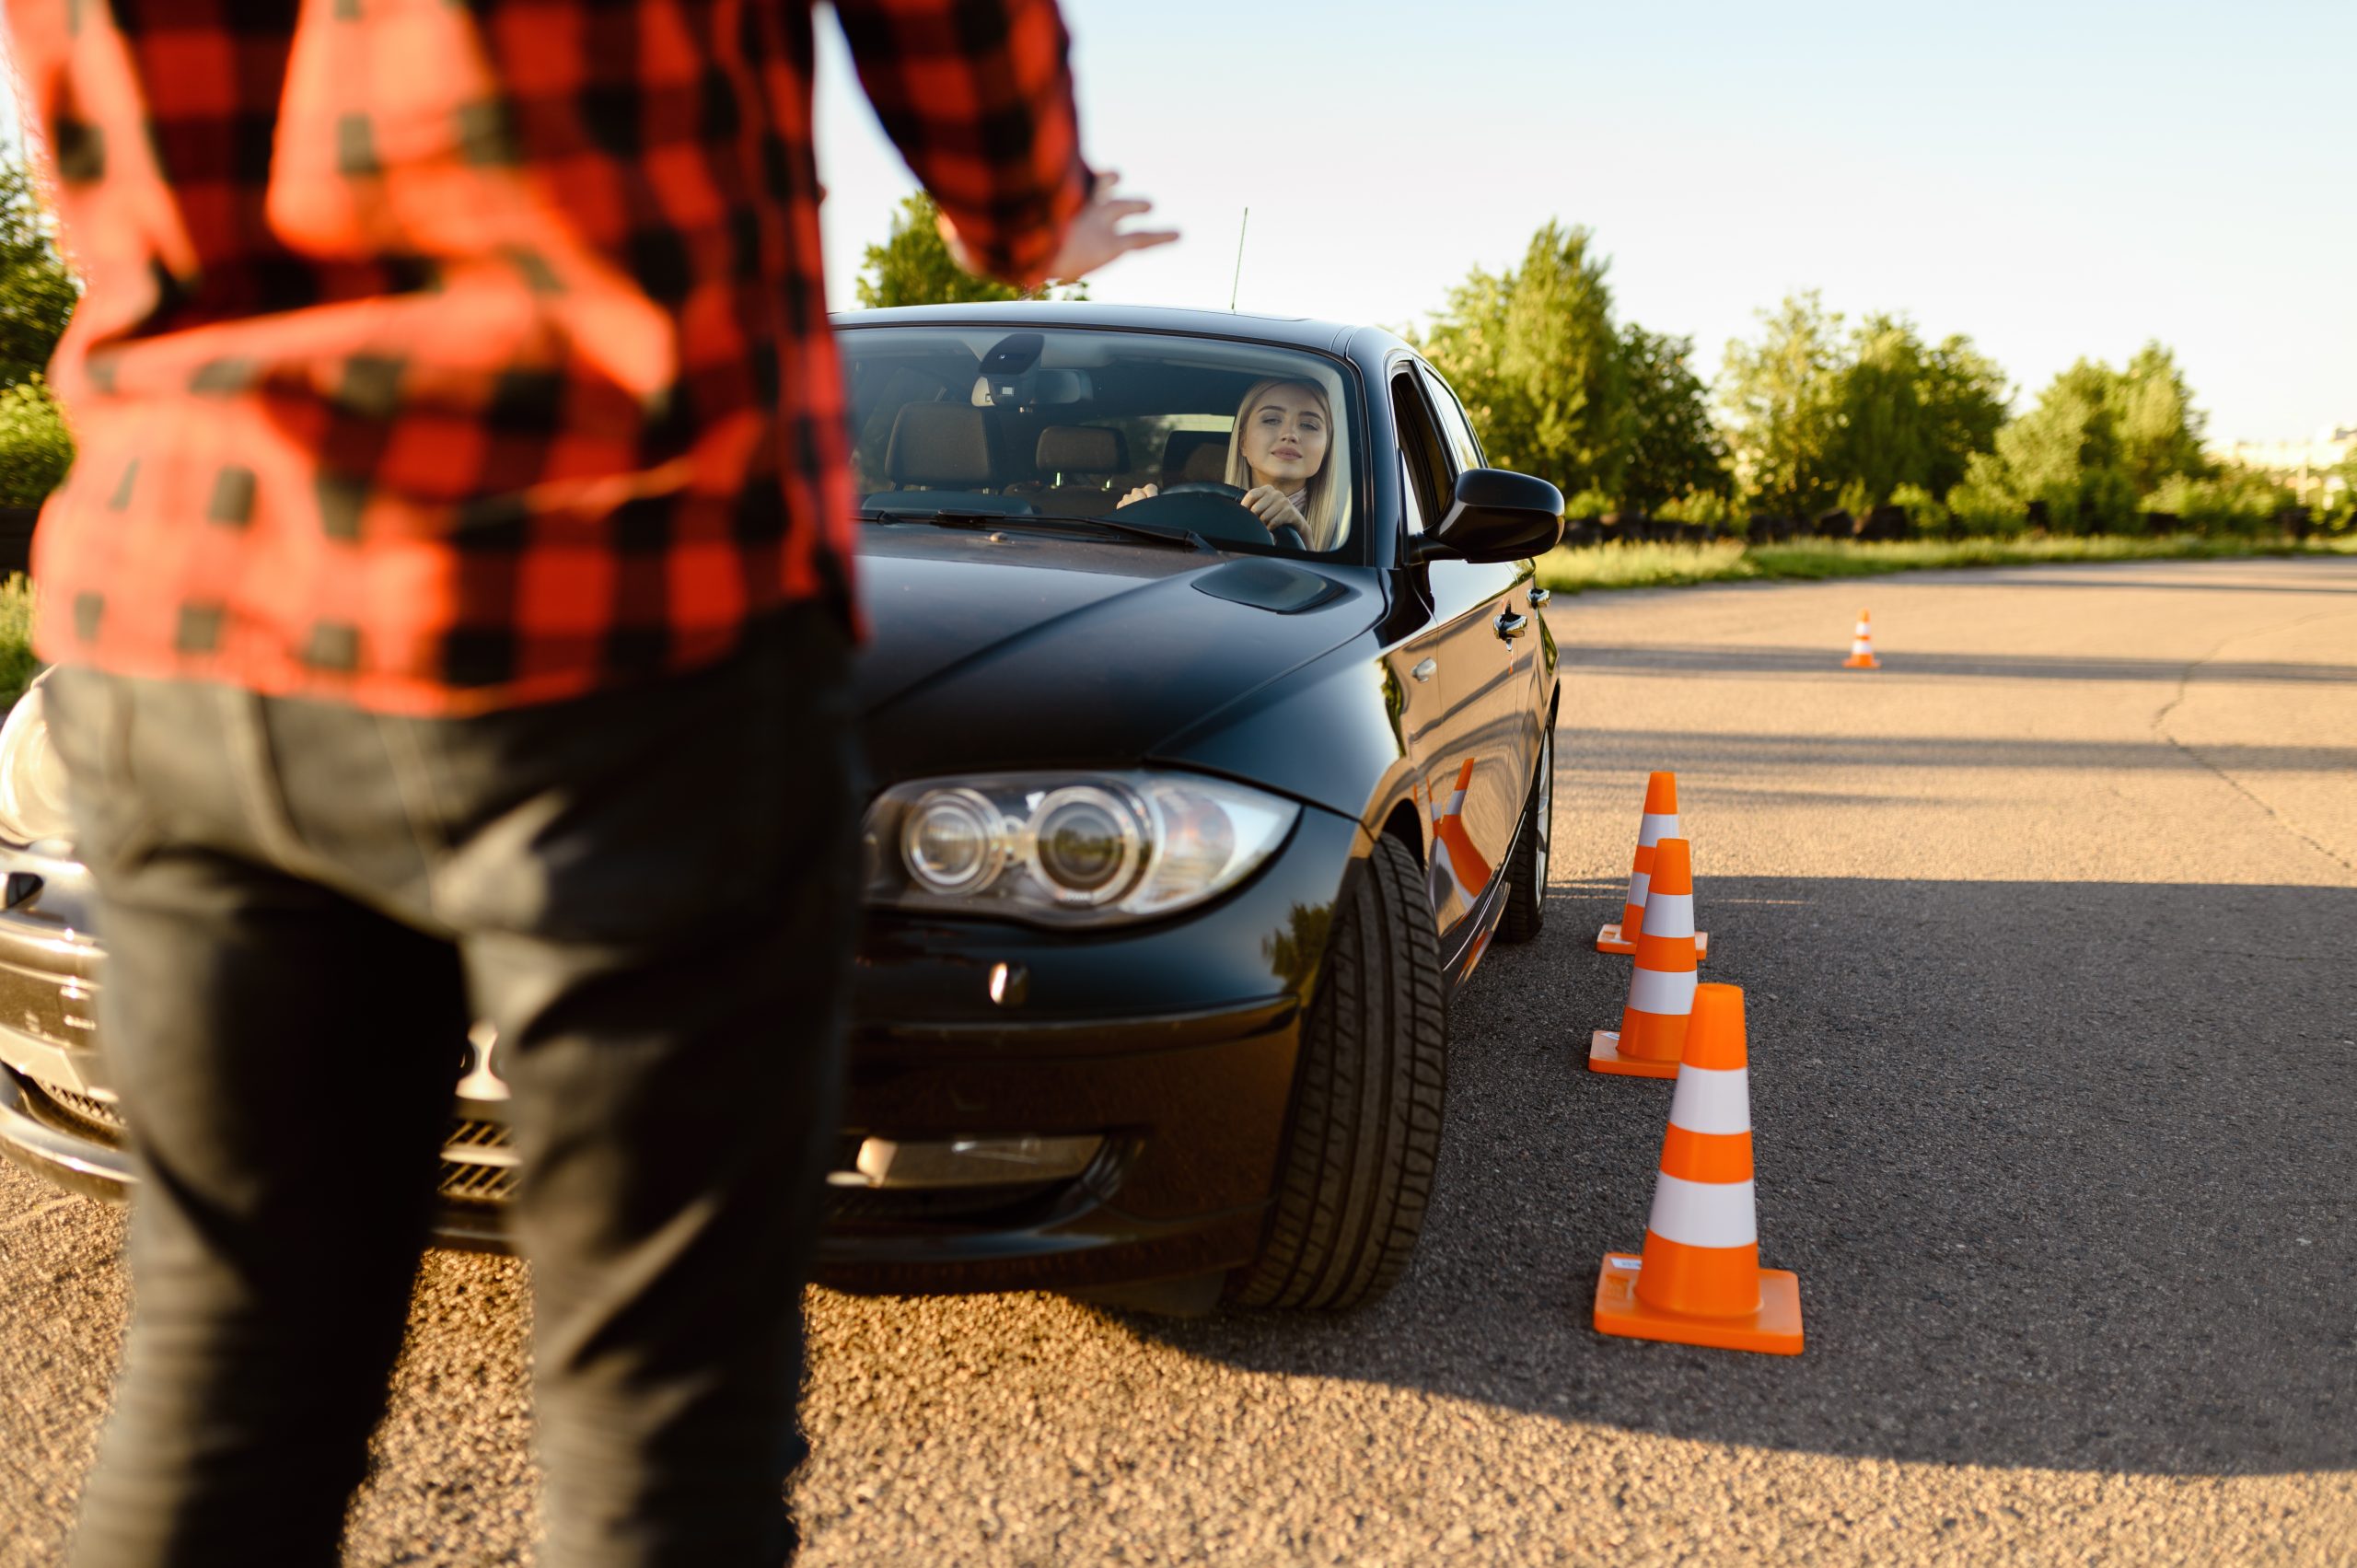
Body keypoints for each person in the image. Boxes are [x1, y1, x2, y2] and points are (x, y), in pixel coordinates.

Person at [1, 2, 1172, 1564]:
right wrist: (1024, 205)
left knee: (229, 1368)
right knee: (658, 1424)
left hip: (203, 583)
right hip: (624, 584)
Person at [1121, 377, 1342, 549]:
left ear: (1327, 447)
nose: (1290, 434)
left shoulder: (1352, 533)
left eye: (1309, 425)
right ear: (1243, 441)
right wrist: (1130, 524)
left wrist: (1303, 535)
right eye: (1272, 420)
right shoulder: (1187, 514)